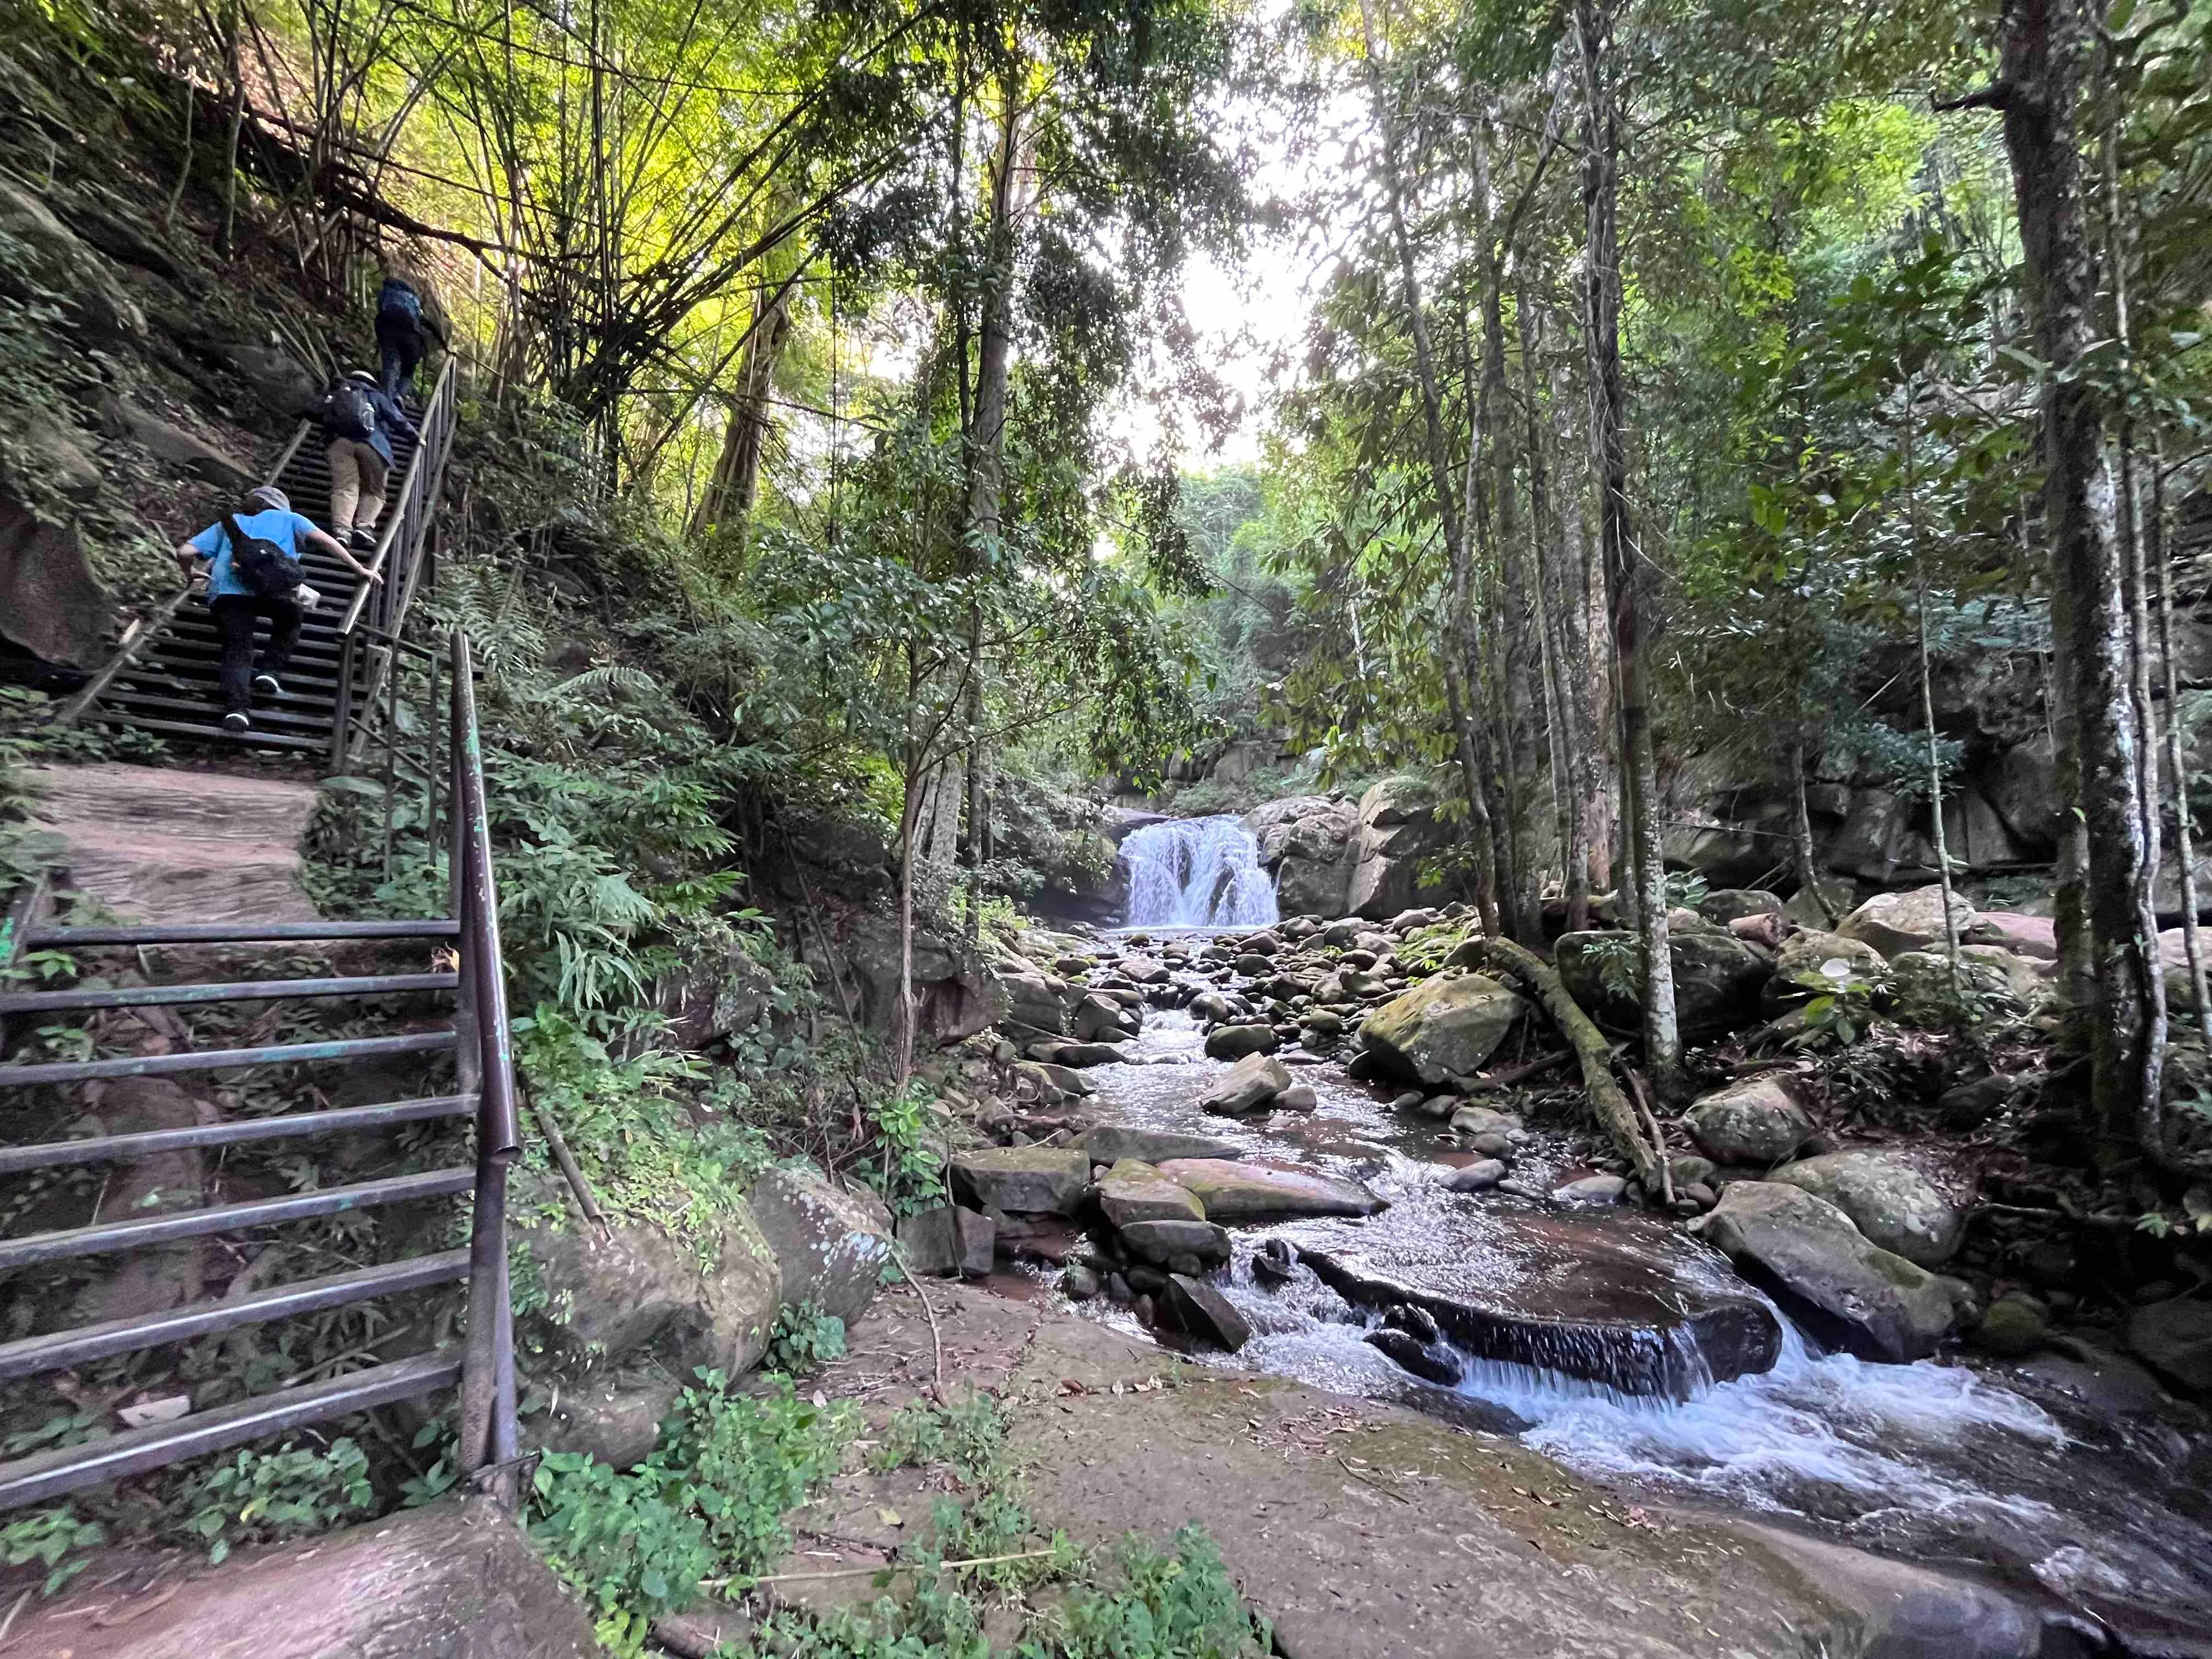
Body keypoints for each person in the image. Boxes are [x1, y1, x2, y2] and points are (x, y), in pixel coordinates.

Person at [174, 484, 378, 733]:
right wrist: (361, 569)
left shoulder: (230, 523)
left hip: (229, 594)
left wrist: (190, 575)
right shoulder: (291, 519)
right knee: (289, 622)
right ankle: (270, 669)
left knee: (238, 650)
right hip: (276, 590)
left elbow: (184, 551)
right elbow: (328, 542)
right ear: (281, 506)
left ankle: (237, 709)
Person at [314, 369, 418, 555]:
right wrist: (415, 437)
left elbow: (315, 412)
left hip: (340, 443)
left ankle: (342, 530)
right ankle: (364, 526)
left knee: (345, 486)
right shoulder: (376, 395)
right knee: (374, 490)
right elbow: (397, 419)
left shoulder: (338, 394)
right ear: (371, 382)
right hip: (374, 445)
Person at [374, 274, 446, 401]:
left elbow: (380, 317)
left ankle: (387, 398)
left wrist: (380, 339)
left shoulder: (386, 295)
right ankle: (399, 396)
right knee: (408, 371)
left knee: (390, 366)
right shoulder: (412, 300)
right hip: (411, 339)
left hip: (389, 335)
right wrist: (445, 347)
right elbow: (426, 323)